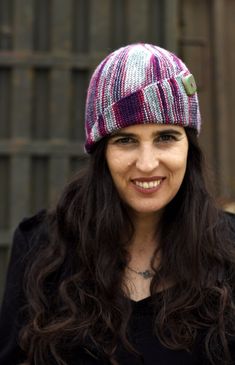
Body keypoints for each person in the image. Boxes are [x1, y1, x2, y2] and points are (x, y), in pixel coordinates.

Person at [0, 43, 234, 365]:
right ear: (102, 153)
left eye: (166, 137)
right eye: (126, 140)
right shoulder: (41, 250)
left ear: (188, 147)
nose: (148, 163)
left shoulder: (229, 250)